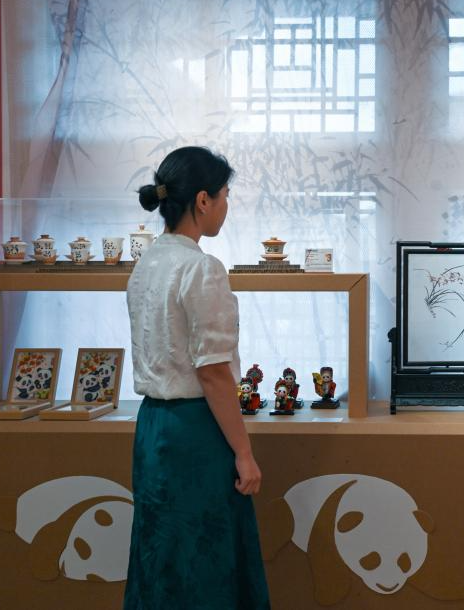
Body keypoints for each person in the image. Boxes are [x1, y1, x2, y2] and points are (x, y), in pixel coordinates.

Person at [124, 146, 269, 609]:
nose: (226, 205)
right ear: (203, 200)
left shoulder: (146, 264)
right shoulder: (200, 268)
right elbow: (213, 374)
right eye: (224, 195)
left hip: (153, 429)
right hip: (195, 433)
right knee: (203, 562)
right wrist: (244, 453)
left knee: (159, 554)